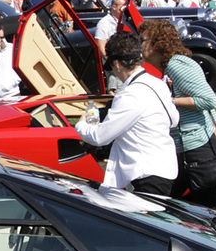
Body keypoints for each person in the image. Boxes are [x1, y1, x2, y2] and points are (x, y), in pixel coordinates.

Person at [73, 31, 179, 196]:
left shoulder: (130, 94)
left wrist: (81, 125)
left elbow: (101, 136)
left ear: (118, 64)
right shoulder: (158, 84)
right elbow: (174, 119)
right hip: (162, 167)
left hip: (145, 173)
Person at [140, 19, 216, 210]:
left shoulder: (176, 65)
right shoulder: (169, 67)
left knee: (210, 205)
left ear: (158, 44)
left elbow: (208, 100)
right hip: (188, 147)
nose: (140, 45)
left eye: (144, 40)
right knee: (204, 205)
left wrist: (169, 101)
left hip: (195, 149)